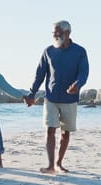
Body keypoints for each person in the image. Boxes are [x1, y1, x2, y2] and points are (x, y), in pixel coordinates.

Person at [26, 20, 89, 174]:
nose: (54, 36)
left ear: (67, 33)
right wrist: (31, 93)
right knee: (49, 130)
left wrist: (77, 85)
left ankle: (59, 163)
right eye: (53, 33)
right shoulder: (48, 51)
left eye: (58, 33)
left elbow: (84, 72)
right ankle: (50, 165)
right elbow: (39, 74)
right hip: (51, 98)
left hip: (70, 99)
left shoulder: (79, 51)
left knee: (65, 132)